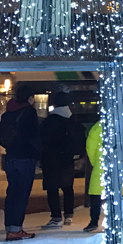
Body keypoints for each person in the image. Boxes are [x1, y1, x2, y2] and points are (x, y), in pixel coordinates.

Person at [0, 84, 40, 241]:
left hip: (10, 158)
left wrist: (11, 147)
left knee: (12, 193)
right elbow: (33, 136)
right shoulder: (29, 112)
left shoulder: (8, 114)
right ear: (29, 98)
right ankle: (16, 229)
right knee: (22, 194)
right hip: (25, 158)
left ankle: (9, 227)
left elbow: (0, 137)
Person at [40, 90, 85, 229]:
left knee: (52, 189)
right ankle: (69, 216)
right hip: (67, 160)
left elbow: (43, 140)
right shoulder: (72, 118)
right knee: (67, 187)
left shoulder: (51, 120)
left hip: (51, 159)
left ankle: (56, 217)